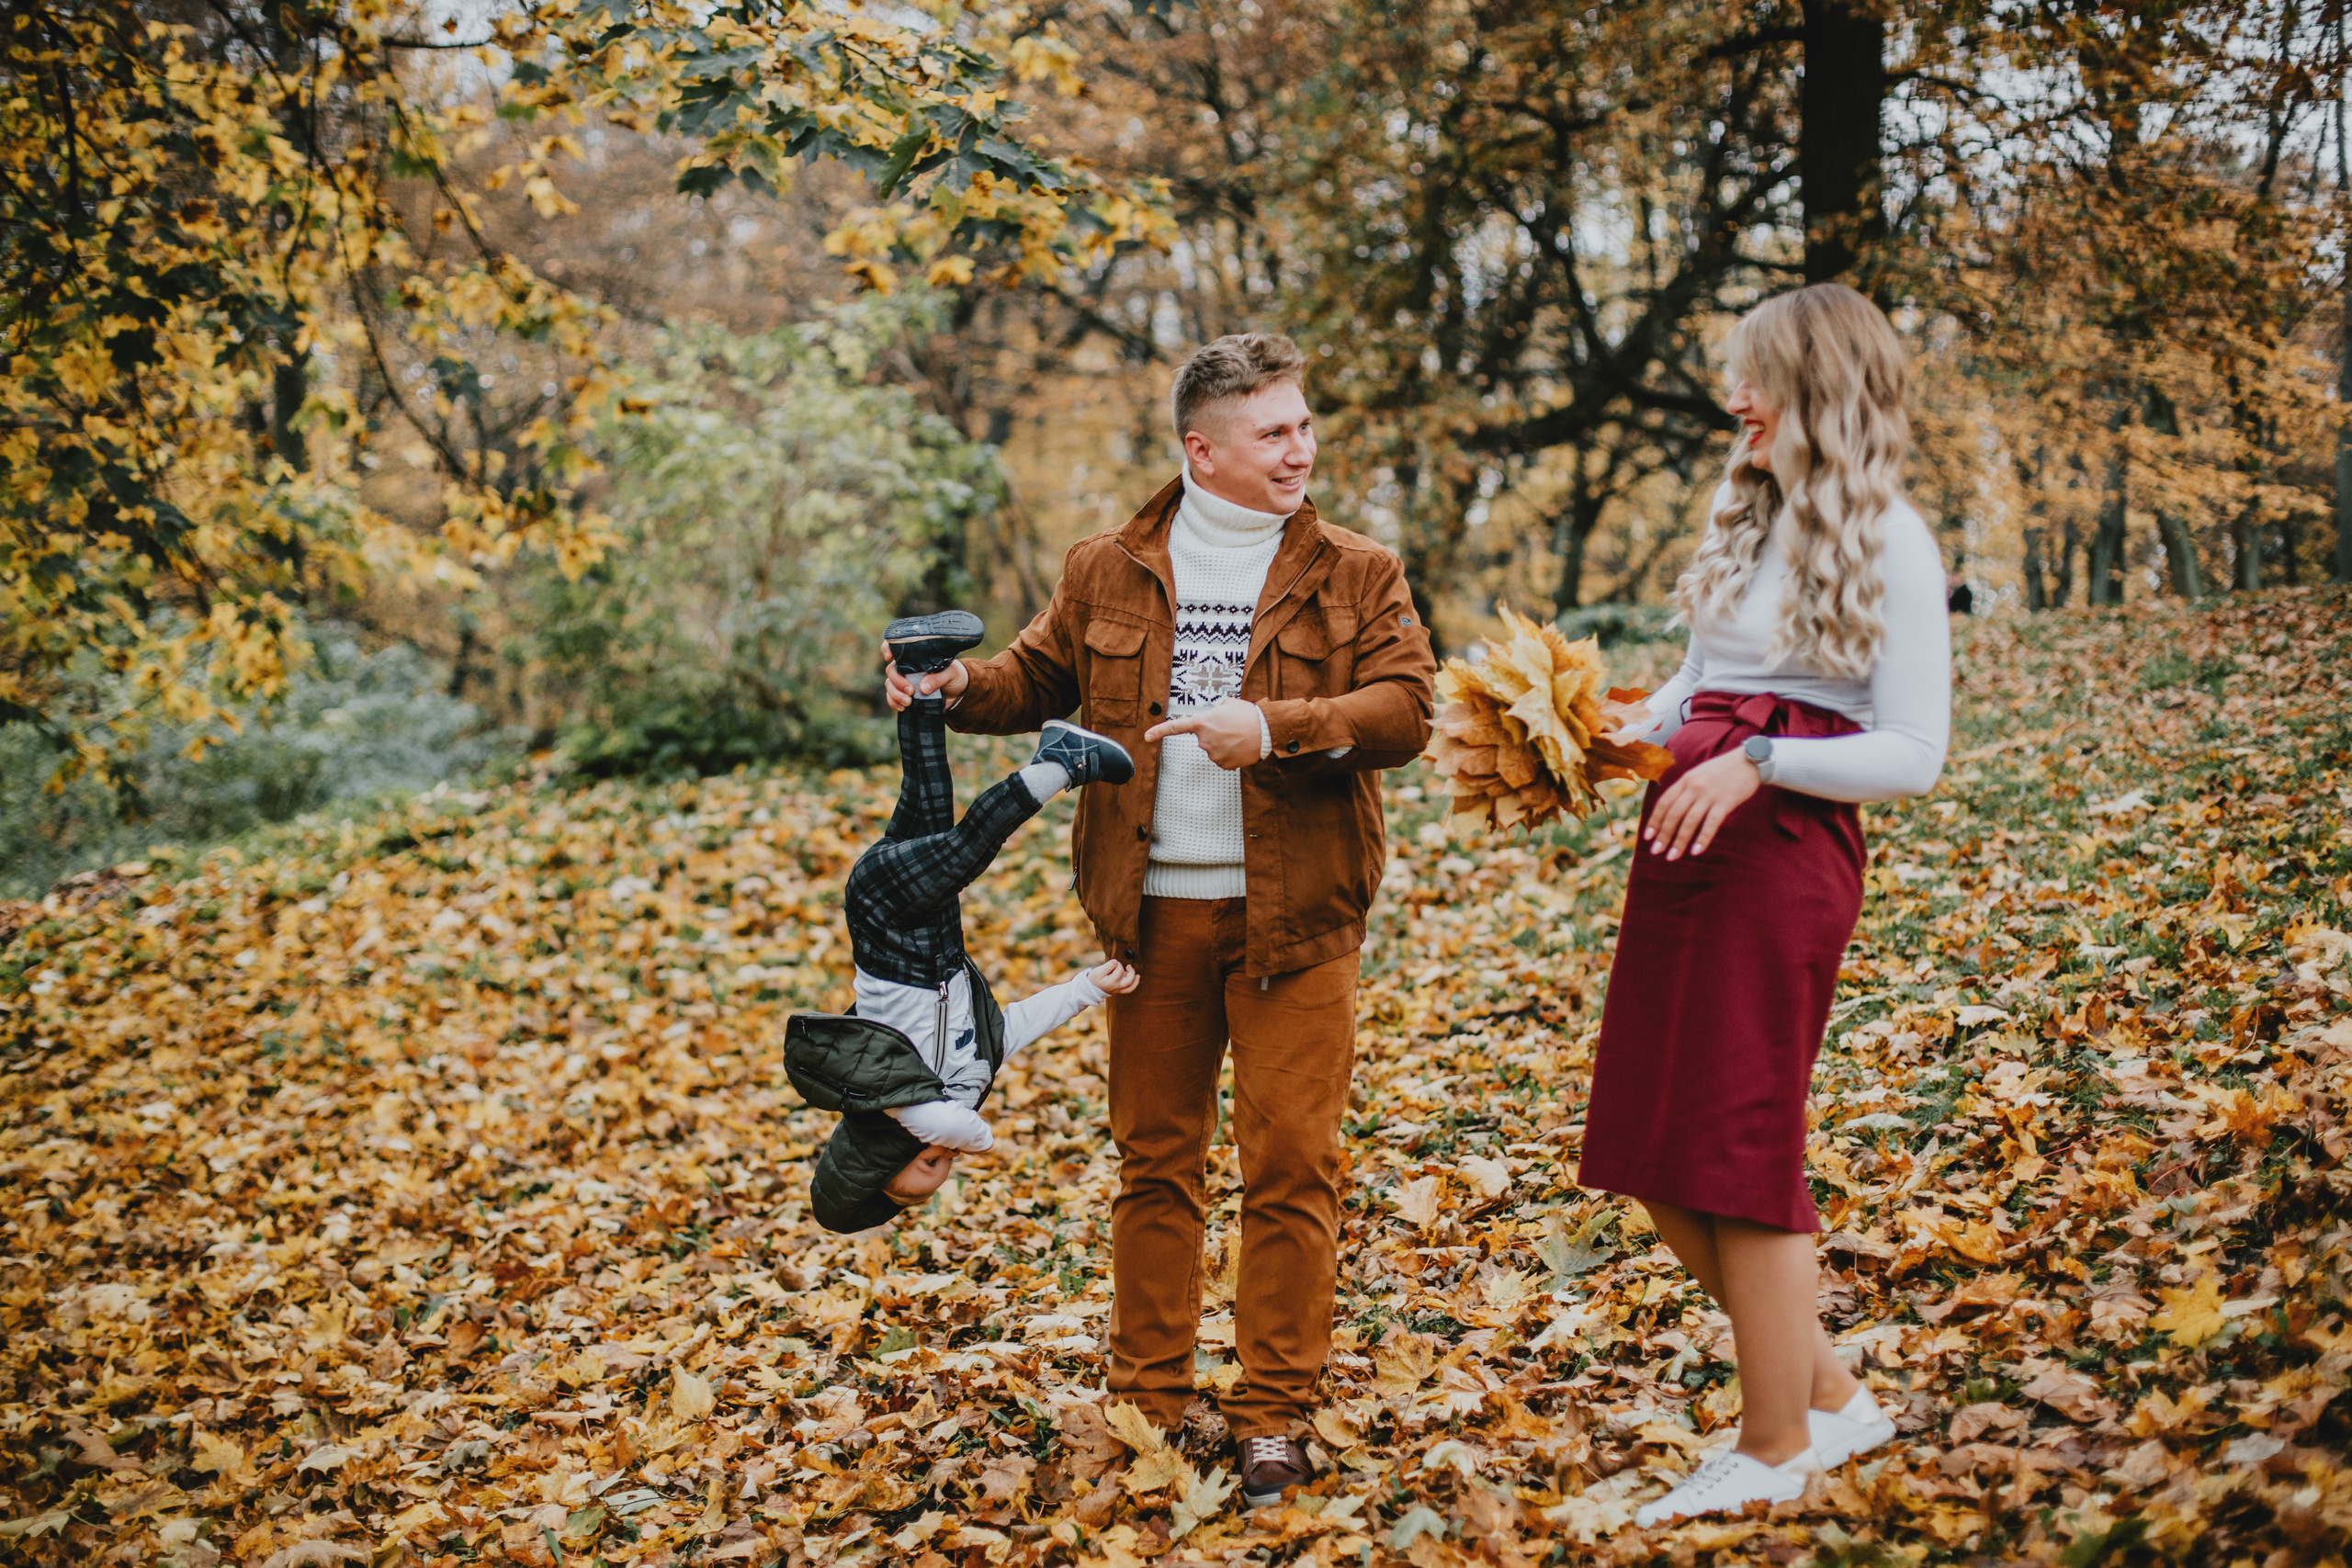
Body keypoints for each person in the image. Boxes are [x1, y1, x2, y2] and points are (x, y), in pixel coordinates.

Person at [882, 334, 1436, 1507]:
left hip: (1297, 919)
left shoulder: (1356, 570)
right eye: (1273, 432)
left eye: (1301, 426)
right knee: (1155, 1164)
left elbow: (1404, 711)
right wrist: (949, 689)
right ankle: (1148, 1403)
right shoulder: (1108, 567)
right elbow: (1033, 678)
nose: (1302, 450)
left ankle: (1273, 1414)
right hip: (1150, 918)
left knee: (1291, 1165)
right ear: (1204, 449)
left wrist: (1274, 727)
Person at [1577, 284, 1951, 1526]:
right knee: (1652, 1146)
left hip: (1783, 856)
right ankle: (1836, 1396)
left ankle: (1776, 1436)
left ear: (1821, 387)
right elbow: (1698, 689)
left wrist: (1762, 762)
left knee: (1738, 1147)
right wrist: (1615, 734)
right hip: (1682, 847)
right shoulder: (1747, 520)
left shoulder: (1890, 536)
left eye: (1759, 376)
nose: (1735, 397)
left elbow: (1911, 751)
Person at [787, 612, 1142, 1234]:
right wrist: (1088, 988)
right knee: (927, 798)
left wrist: (968, 1138)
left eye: (930, 1161)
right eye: (943, 1166)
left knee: (966, 846)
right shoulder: (959, 1087)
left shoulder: (895, 1103)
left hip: (888, 923)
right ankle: (922, 675)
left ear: (887, 1151)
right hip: (933, 933)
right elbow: (1010, 1029)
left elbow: (961, 1129)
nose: (947, 1155)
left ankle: (1060, 761)